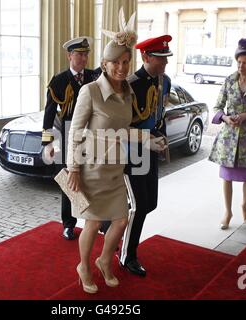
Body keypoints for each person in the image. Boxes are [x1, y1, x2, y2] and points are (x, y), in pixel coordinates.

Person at [66, 9, 137, 294]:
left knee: (121, 219)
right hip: (91, 168)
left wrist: (148, 140)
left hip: (115, 168)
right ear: (104, 64)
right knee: (93, 222)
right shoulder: (91, 91)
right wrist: (73, 168)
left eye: (125, 62)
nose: (122, 67)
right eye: (115, 62)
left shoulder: (127, 92)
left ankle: (105, 260)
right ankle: (84, 266)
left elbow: (123, 129)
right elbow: (75, 131)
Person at [117, 35, 172, 278]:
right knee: (138, 206)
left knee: (150, 203)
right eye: (160, 58)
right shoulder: (129, 84)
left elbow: (159, 115)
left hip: (151, 149)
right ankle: (127, 255)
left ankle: (113, 228)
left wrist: (163, 138)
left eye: (166, 58)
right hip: (132, 152)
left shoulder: (165, 81)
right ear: (146, 57)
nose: (165, 63)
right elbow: (119, 126)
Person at [208, 38, 246, 230]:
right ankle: (227, 212)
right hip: (229, 138)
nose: (240, 66)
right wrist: (225, 118)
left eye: (245, 63)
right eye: (239, 62)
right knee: (226, 177)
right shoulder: (229, 81)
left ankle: (244, 205)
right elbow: (217, 106)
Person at [42, 36, 98, 240]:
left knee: (92, 175)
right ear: (69, 56)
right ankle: (68, 223)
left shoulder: (94, 76)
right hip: (67, 133)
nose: (83, 58)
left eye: (86, 54)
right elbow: (49, 114)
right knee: (68, 178)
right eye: (79, 54)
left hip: (92, 133)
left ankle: (94, 220)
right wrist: (47, 142)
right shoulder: (59, 80)